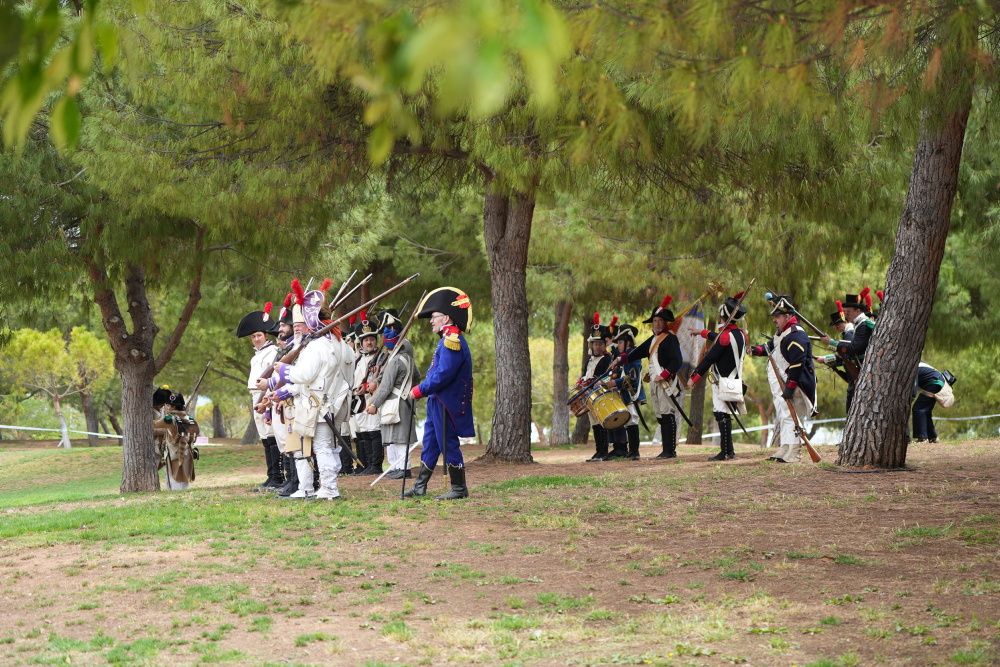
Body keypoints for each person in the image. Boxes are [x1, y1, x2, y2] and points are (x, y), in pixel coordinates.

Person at [260, 279, 344, 500]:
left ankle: (329, 488)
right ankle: (322, 487)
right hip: (318, 401)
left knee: (322, 447)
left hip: (317, 403)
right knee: (317, 447)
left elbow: (303, 375)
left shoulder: (317, 346)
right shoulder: (325, 344)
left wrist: (283, 369)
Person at [406, 287, 475, 500]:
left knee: (448, 443)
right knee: (431, 443)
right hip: (438, 400)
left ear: (445, 318)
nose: (431, 321)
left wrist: (419, 390)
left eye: (434, 317)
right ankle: (420, 486)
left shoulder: (452, 340)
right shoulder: (445, 339)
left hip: (447, 402)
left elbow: (443, 375)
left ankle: (459, 488)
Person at [750, 294, 817, 463]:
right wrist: (754, 350)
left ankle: (795, 451)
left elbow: (797, 363)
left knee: (790, 416)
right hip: (785, 382)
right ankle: (786, 447)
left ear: (788, 316)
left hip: (796, 384)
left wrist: (790, 386)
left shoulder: (796, 335)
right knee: (784, 415)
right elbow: (770, 348)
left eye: (777, 316)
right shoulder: (782, 333)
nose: (774, 319)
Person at [617, 295, 684, 460]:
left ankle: (670, 450)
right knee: (661, 416)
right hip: (655, 382)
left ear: (665, 322)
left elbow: (677, 361)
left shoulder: (671, 339)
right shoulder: (652, 340)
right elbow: (636, 352)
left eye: (661, 320)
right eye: (655, 321)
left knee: (668, 414)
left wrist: (665, 374)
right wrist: (621, 359)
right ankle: (665, 449)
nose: (658, 323)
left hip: (666, 382)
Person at [688, 291, 748, 461]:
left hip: (722, 380)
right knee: (724, 414)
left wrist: (694, 378)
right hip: (733, 380)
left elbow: (709, 359)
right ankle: (729, 450)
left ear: (723, 315)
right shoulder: (739, 334)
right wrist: (702, 332)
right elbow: (719, 338)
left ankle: (726, 452)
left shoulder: (725, 337)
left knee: (721, 414)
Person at [368, 309, 421, 479]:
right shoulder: (406, 358)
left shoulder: (396, 360)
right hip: (403, 401)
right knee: (395, 437)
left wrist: (373, 404)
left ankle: (402, 469)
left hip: (396, 402)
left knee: (399, 438)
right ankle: (397, 468)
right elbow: (417, 377)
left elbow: (385, 387)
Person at [236, 302, 282, 492]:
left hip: (266, 395)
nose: (256, 339)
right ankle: (271, 475)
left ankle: (277, 476)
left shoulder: (272, 352)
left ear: (265, 335)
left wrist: (265, 398)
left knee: (272, 437)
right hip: (255, 395)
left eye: (259, 335)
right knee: (265, 437)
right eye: (253, 336)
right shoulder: (256, 356)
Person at [821, 288, 875, 413]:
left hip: (865, 371)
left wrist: (831, 343)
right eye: (845, 311)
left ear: (857, 310)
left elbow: (853, 349)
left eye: (848, 311)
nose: (845, 314)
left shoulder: (863, 324)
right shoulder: (859, 324)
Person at [351, 313, 385, 475]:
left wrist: (366, 387)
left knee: (373, 431)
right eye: (366, 340)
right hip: (359, 401)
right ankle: (365, 465)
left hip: (373, 399)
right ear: (361, 343)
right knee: (362, 432)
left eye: (372, 338)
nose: (369, 342)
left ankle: (375, 465)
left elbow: (380, 379)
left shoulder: (380, 358)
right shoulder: (358, 359)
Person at [578, 313, 614, 462]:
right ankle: (598, 450)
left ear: (604, 345)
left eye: (600, 343)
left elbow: (607, 376)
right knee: (594, 423)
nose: (597, 346)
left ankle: (604, 451)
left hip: (601, 394)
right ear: (591, 345)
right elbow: (586, 374)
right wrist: (581, 382)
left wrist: (593, 381)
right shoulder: (589, 360)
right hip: (589, 395)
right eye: (595, 343)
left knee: (601, 422)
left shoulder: (607, 359)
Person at [152, 386, 199, 490]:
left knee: (175, 486)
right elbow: (195, 435)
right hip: (188, 455)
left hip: (174, 456)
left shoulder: (169, 419)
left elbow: (152, 425)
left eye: (168, 405)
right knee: (183, 485)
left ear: (172, 407)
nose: (165, 407)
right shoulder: (190, 419)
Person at [611, 323, 646, 460]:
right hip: (625, 394)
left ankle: (634, 452)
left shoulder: (633, 356)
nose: (618, 345)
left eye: (620, 341)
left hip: (632, 393)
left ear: (628, 342)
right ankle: (631, 451)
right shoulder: (625, 357)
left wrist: (616, 383)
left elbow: (632, 378)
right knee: (629, 421)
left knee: (632, 420)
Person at [913, 362, 946, 443]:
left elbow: (913, 387)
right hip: (938, 382)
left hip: (934, 382)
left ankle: (922, 438)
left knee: (918, 409)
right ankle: (933, 437)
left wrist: (911, 397)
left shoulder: (913, 368)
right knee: (926, 411)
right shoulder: (919, 364)